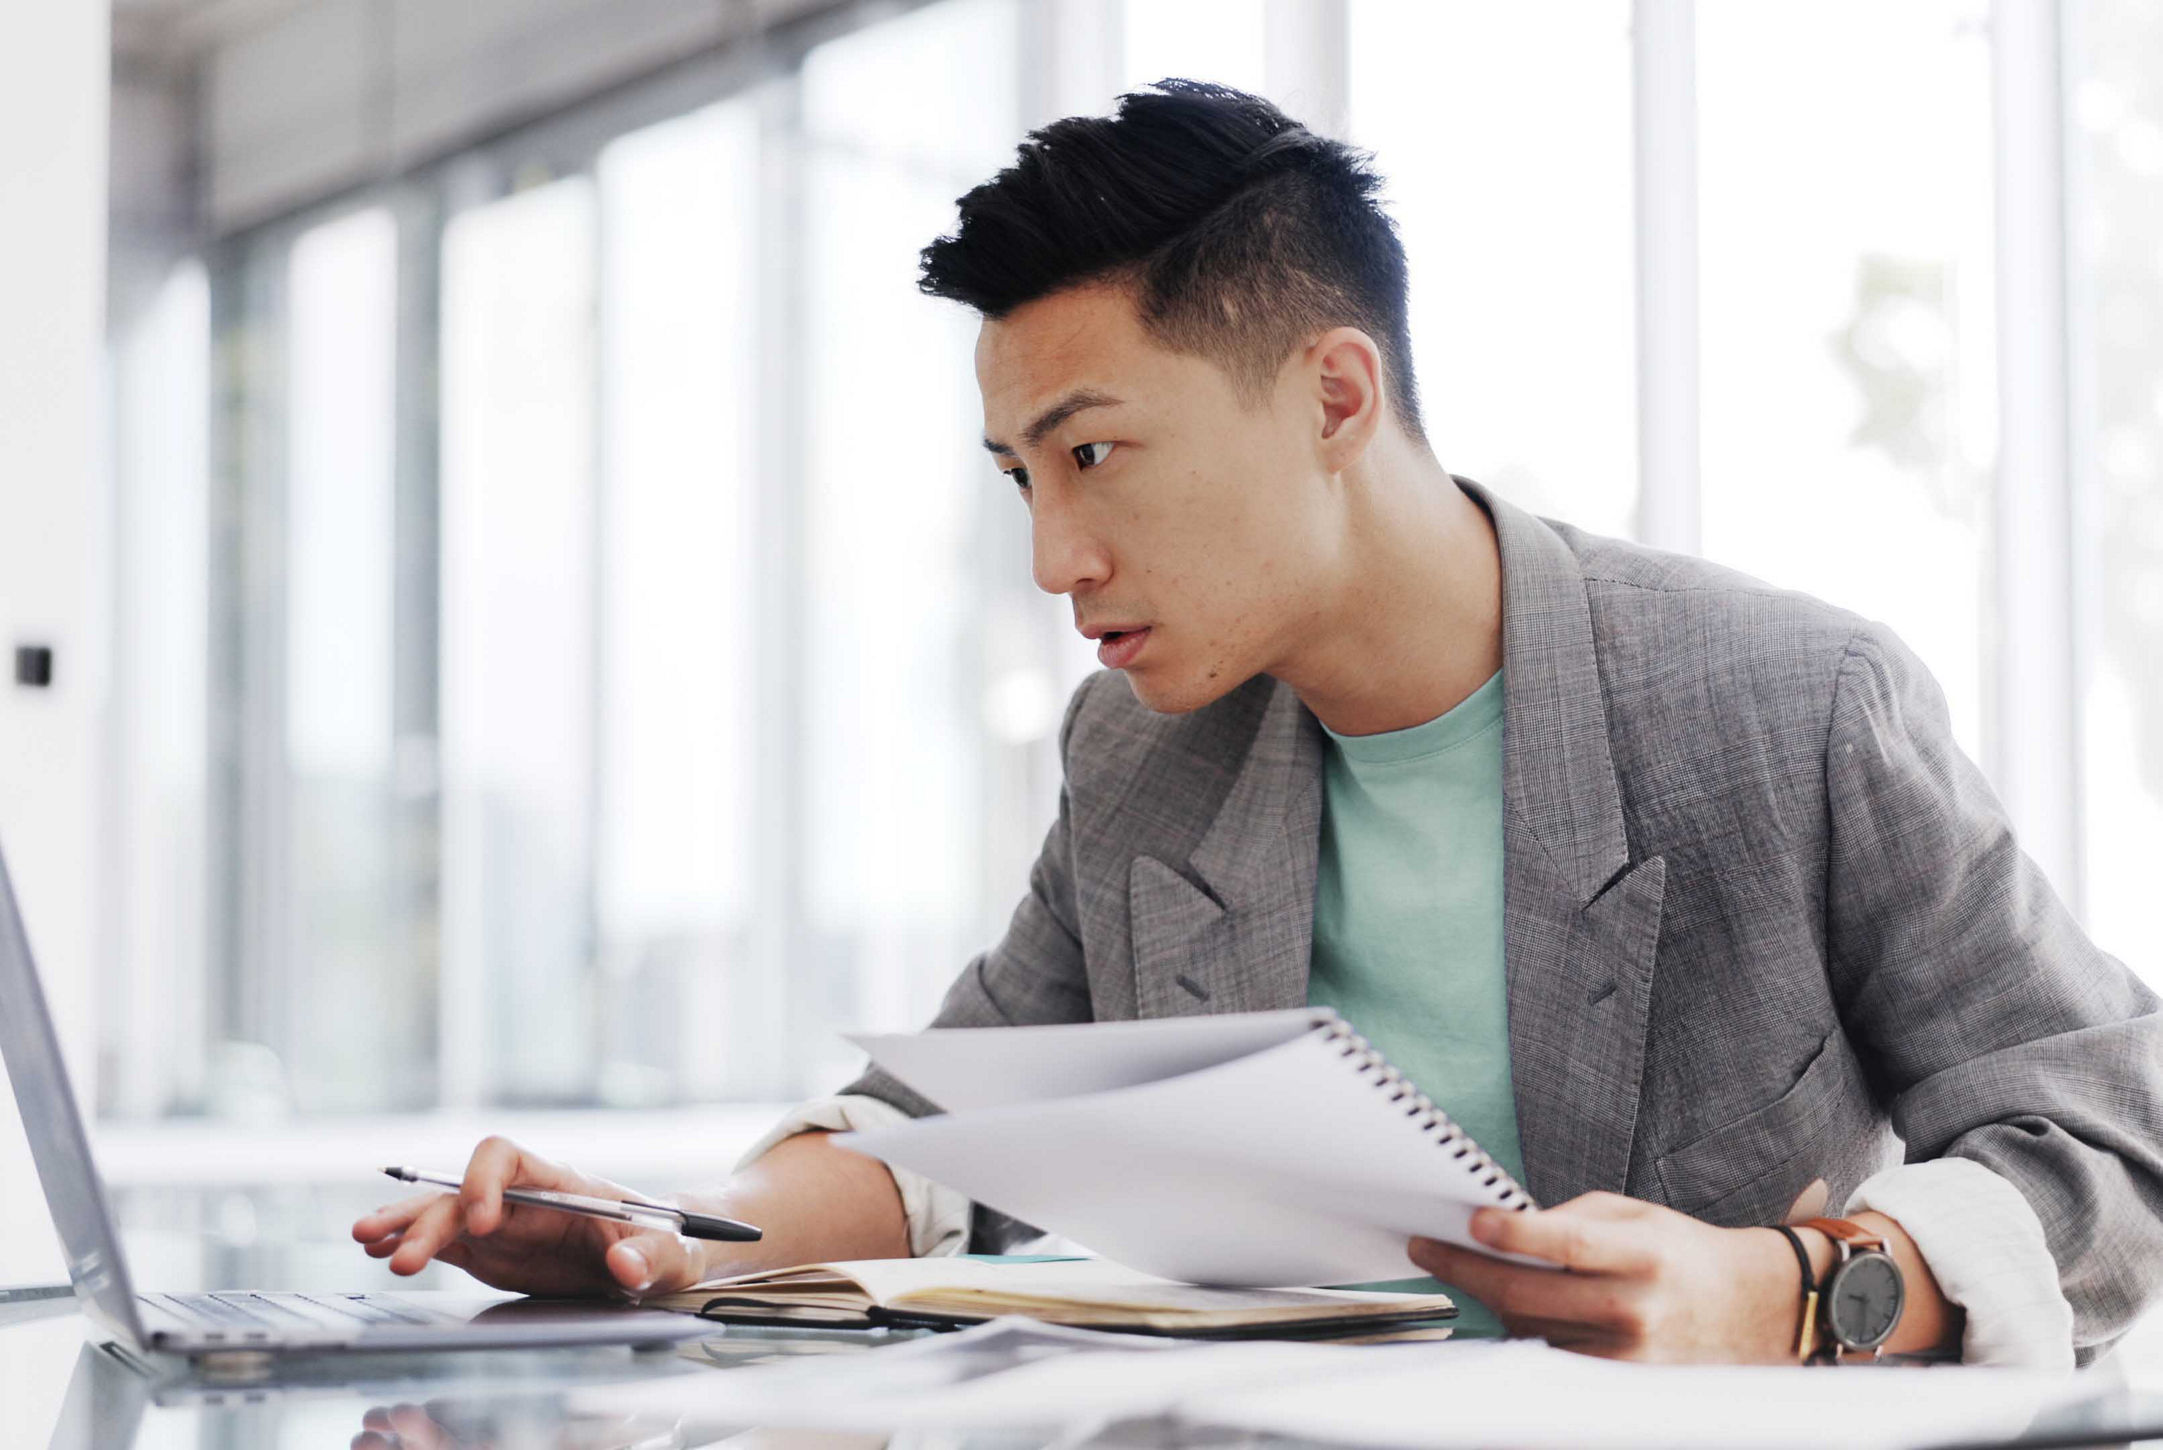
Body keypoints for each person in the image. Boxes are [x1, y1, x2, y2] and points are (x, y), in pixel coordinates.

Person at [353, 80, 2163, 1367]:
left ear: (1332, 391)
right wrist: (660, 1234)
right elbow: (939, 1129)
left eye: (1096, 452)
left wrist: (1784, 1291)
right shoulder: (1142, 753)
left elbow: (2111, 1143)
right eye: (1019, 477)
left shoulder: (1788, 705)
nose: (1056, 553)